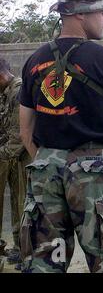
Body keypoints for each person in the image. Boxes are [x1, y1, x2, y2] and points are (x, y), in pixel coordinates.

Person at [18, 0, 103, 273]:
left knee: (44, 262)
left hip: (44, 172)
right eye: (102, 12)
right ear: (81, 14)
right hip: (93, 170)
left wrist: (48, 161)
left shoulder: (33, 60)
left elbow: (26, 132)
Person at [0, 58, 30, 269]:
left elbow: (18, 137)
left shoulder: (18, 92)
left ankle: (27, 254)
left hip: (24, 155)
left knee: (24, 205)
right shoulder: (7, 92)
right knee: (17, 205)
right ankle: (20, 249)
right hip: (13, 155)